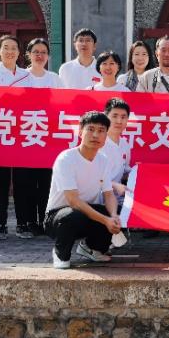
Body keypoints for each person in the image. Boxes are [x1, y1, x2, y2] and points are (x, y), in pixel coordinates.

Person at [45, 111, 121, 270]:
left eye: (101, 131)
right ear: (80, 132)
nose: (95, 135)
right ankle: (60, 254)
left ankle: (91, 248)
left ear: (106, 136)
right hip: (59, 216)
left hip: (87, 214)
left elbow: (109, 194)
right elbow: (73, 200)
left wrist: (113, 216)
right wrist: (105, 220)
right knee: (74, 215)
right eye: (90, 129)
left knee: (114, 213)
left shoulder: (103, 160)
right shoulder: (66, 159)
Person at [12, 38, 63, 237]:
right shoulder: (19, 78)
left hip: (48, 140)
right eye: (35, 52)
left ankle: (45, 220)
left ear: (48, 56)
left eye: (43, 52)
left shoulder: (55, 79)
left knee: (46, 182)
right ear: (28, 55)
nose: (39, 56)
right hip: (24, 138)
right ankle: (25, 222)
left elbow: (63, 106)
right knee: (24, 182)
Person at [0, 35, 32, 239]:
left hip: (22, 133)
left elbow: (32, 102)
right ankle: (1, 224)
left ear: (19, 52)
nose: (10, 51)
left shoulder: (27, 75)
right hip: (1, 132)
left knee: (22, 182)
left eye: (14, 48)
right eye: (6, 47)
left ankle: (22, 223)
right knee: (2, 183)